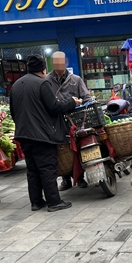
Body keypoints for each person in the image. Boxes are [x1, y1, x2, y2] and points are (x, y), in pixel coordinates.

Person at [10, 54, 81, 212]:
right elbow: (54, 107)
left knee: (32, 169)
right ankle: (54, 202)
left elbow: (13, 112)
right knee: (48, 168)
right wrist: (72, 102)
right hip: (42, 135)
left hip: (24, 135)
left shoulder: (16, 85)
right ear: (43, 70)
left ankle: (36, 202)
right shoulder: (42, 84)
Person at [47, 51, 93, 191]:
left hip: (76, 120)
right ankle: (65, 178)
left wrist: (82, 103)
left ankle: (80, 177)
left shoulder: (76, 80)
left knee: (78, 147)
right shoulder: (47, 80)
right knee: (62, 150)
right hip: (57, 121)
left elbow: (87, 98)